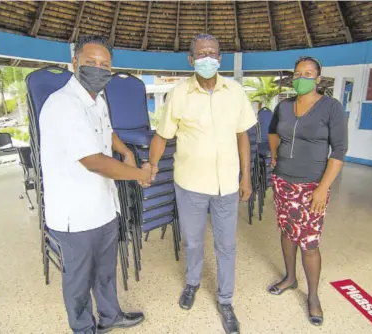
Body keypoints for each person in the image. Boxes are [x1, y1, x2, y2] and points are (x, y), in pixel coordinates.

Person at [39, 35, 151, 334]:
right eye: (91, 63)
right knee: (78, 280)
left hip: (103, 206)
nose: (99, 70)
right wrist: (141, 173)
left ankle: (110, 316)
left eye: (105, 65)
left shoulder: (96, 98)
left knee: (105, 272)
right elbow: (95, 161)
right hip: (74, 213)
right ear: (75, 63)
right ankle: (83, 328)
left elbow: (108, 131)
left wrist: (126, 151)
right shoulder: (62, 105)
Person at [148, 34, 257, 334]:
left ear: (220, 58)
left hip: (227, 186)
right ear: (191, 59)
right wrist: (153, 165)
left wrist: (246, 176)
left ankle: (225, 300)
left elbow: (242, 135)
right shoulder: (179, 94)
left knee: (227, 245)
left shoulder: (234, 91)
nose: (207, 58)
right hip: (191, 184)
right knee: (193, 241)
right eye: (201, 53)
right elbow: (162, 135)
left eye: (212, 53)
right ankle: (192, 283)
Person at [267, 56, 348, 326]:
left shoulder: (331, 108)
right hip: (283, 181)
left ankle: (313, 296)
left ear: (318, 78)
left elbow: (339, 151)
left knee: (309, 243)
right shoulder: (284, 106)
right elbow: (272, 132)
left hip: (313, 185)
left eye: (308, 73)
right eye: (298, 73)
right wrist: (275, 155)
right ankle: (290, 278)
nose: (302, 78)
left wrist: (323, 189)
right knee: (287, 231)